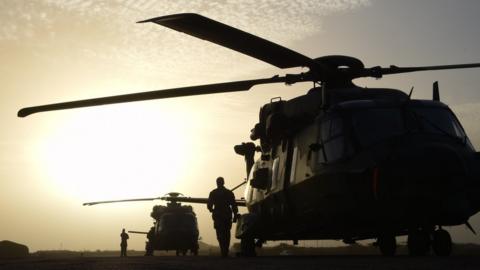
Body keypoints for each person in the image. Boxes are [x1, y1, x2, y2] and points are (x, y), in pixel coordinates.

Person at [207, 176, 239, 257]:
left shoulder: (213, 193)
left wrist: (212, 210)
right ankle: (225, 250)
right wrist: (235, 214)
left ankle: (224, 249)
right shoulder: (229, 193)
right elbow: (234, 205)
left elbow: (209, 205)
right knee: (225, 233)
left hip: (219, 215)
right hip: (226, 215)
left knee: (220, 234)